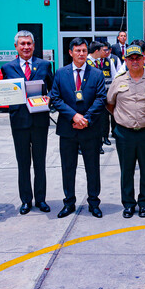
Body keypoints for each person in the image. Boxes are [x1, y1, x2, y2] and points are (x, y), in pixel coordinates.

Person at [0, 31, 53, 215]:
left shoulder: (45, 65)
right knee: (23, 163)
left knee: (40, 162)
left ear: (34, 45)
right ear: (16, 47)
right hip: (19, 121)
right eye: (22, 44)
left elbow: (53, 88)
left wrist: (48, 99)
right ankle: (26, 200)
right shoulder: (7, 67)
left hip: (40, 120)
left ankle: (40, 199)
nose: (26, 47)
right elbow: (0, 93)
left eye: (29, 43)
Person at [50, 37, 107, 219]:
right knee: (68, 167)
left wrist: (86, 119)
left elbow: (101, 99)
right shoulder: (60, 73)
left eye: (84, 50)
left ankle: (94, 202)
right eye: (77, 51)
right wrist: (74, 116)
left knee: (92, 167)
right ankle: (69, 202)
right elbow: (56, 98)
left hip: (90, 129)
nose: (81, 54)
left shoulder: (96, 74)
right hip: (68, 129)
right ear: (70, 53)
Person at [107, 45, 145, 218]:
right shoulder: (118, 81)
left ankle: (144, 203)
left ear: (144, 59)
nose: (135, 61)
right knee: (126, 169)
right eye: (131, 58)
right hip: (124, 133)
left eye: (138, 58)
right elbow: (110, 103)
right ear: (126, 61)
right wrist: (121, 117)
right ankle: (128, 204)